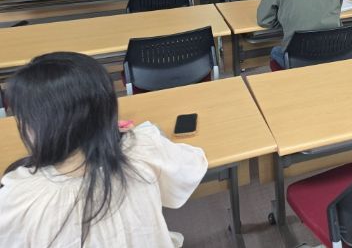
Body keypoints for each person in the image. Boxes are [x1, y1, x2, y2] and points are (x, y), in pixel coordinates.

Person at [0, 52, 207, 247]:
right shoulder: (143, 148)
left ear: (37, 126)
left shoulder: (19, 199)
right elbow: (192, 166)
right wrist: (138, 136)